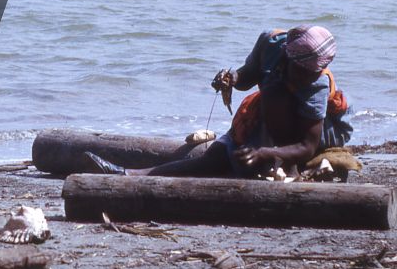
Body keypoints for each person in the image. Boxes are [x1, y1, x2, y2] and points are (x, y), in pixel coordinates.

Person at [87, 25, 352, 178]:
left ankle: (286, 166)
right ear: (288, 57)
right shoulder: (271, 44)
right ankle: (131, 175)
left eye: (313, 73)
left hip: (314, 131)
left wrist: (267, 152)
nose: (308, 78)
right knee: (215, 156)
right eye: (303, 71)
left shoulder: (317, 83)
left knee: (276, 96)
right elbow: (248, 76)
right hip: (271, 118)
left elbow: (308, 145)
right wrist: (232, 78)